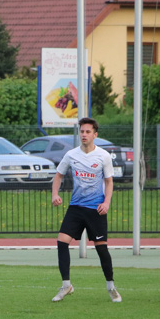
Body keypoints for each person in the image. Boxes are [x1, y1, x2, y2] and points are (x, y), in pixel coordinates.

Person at [50, 117, 121, 303]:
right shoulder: (71, 155)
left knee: (101, 249)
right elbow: (58, 175)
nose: (84, 134)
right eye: (82, 131)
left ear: (95, 135)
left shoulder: (103, 156)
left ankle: (111, 287)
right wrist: (54, 194)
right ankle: (66, 286)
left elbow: (109, 181)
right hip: (76, 207)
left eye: (88, 132)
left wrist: (106, 203)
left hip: (95, 209)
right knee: (61, 242)